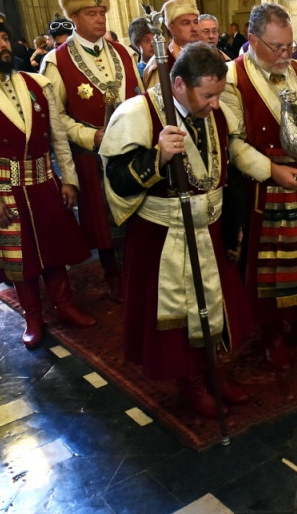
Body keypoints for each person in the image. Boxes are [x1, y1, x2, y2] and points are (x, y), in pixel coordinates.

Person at [101, 42, 253, 416]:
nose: (215, 104)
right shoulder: (138, 112)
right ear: (179, 85)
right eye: (207, 95)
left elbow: (225, 176)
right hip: (163, 236)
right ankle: (190, 381)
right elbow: (117, 179)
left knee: (216, 304)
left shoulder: (215, 110)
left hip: (210, 228)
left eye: (218, 95)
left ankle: (214, 371)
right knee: (180, 317)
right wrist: (158, 157)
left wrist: (234, 224)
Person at [0, 11, 95, 347]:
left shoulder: (37, 83)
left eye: (5, 38)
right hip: (2, 188)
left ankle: (64, 305)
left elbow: (58, 138)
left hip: (43, 182)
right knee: (20, 259)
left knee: (54, 247)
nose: (4, 45)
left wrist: (68, 179)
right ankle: (33, 317)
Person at [222, 2, 297, 371]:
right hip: (266, 188)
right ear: (252, 38)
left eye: (289, 46)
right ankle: (272, 335)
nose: (285, 55)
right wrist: (271, 169)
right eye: (276, 47)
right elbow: (233, 142)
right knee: (273, 267)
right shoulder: (231, 80)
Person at [41, 0, 143, 302]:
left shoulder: (124, 53)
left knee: (138, 211)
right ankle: (113, 274)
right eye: (91, 13)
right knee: (102, 219)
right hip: (90, 154)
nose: (100, 19)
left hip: (130, 149)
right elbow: (55, 118)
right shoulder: (56, 62)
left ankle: (139, 268)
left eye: (102, 12)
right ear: (75, 18)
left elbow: (140, 97)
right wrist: (91, 136)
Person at [143, 0, 200, 89]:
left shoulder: (207, 54)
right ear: (172, 28)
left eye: (196, 22)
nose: (194, 28)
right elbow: (157, 101)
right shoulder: (160, 64)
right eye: (186, 23)